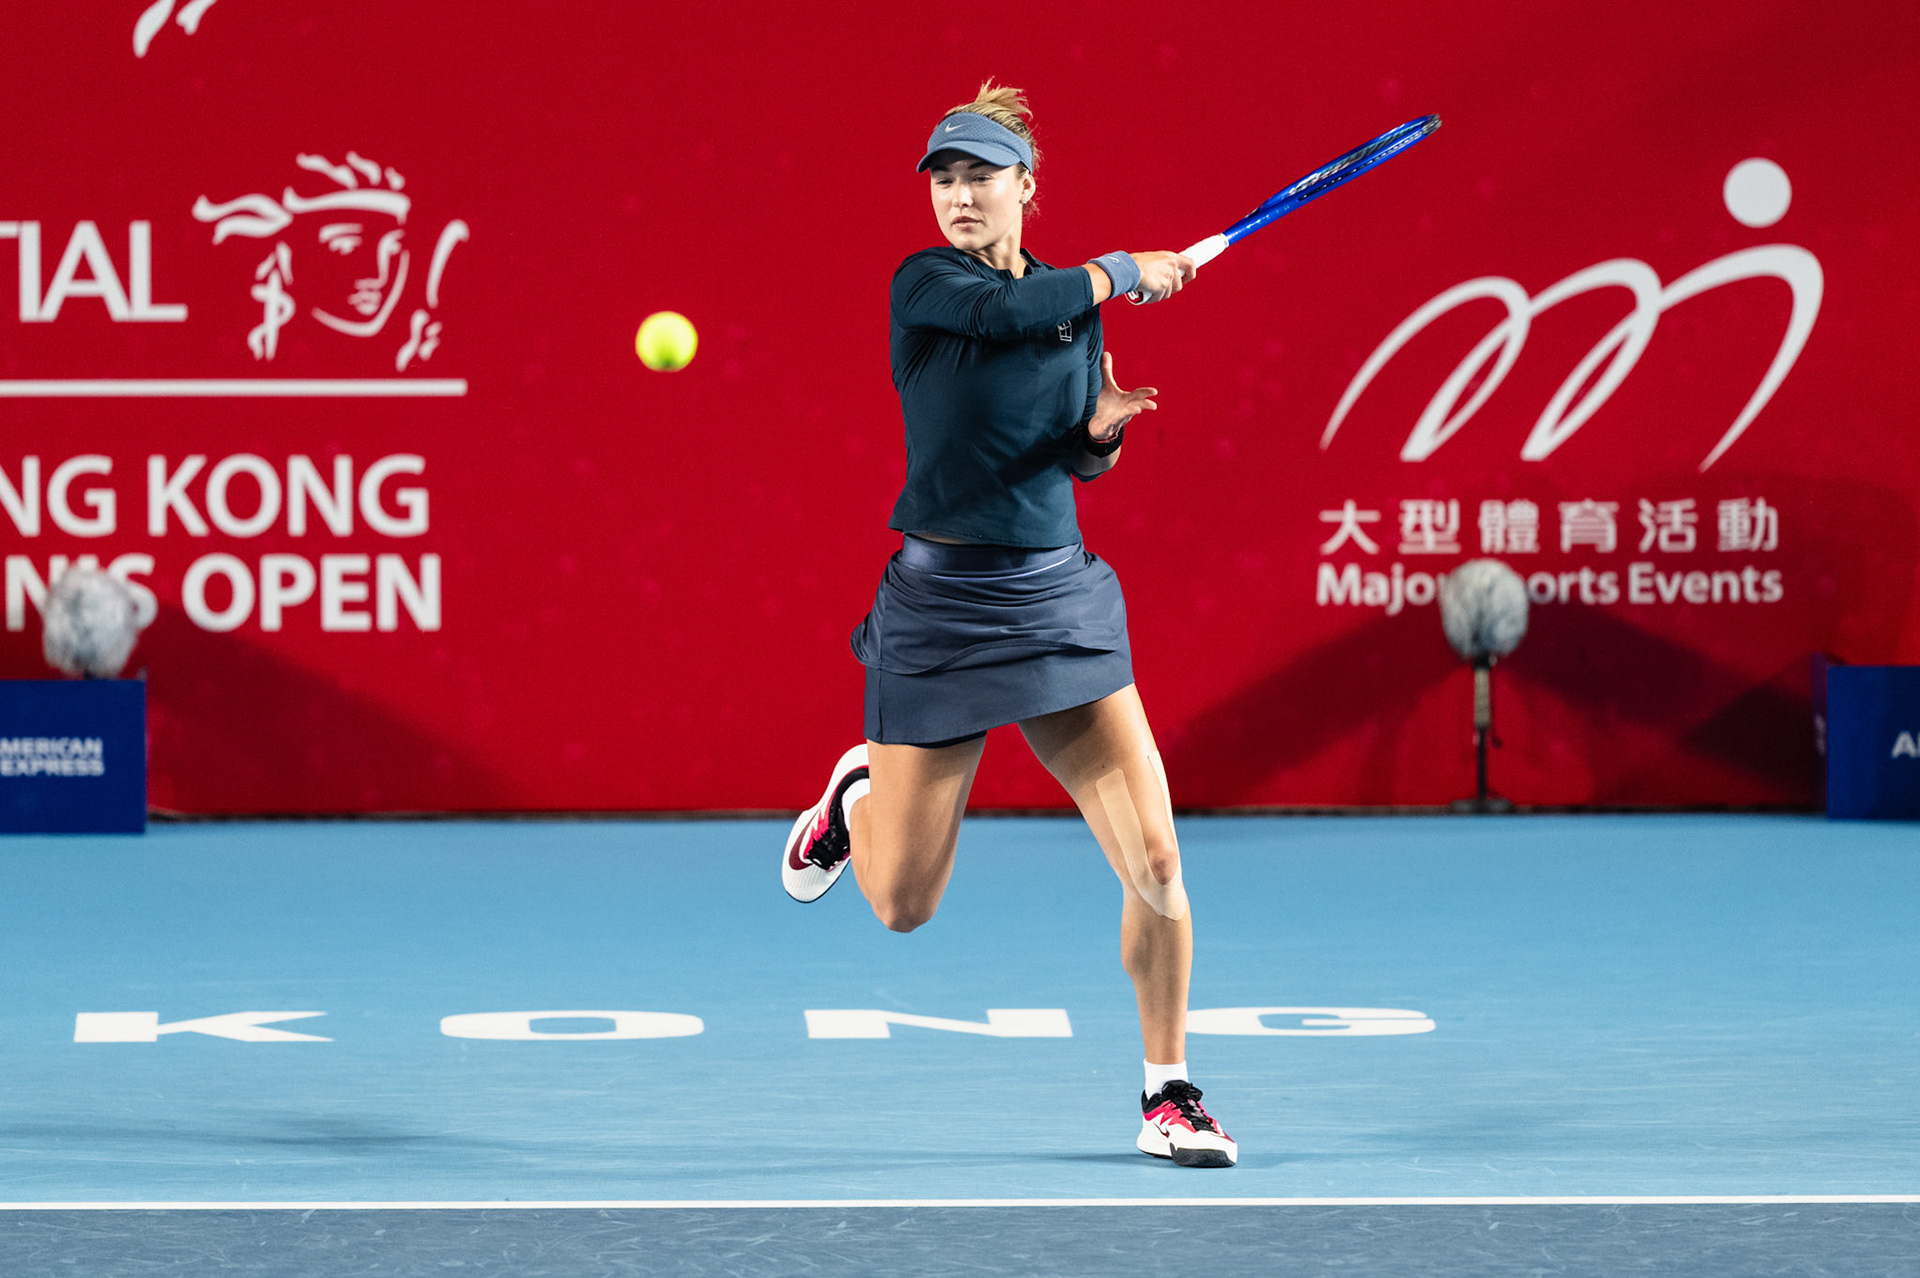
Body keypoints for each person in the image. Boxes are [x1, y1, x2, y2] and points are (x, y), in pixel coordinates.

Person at [781, 82, 1235, 1168]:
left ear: (1027, 187)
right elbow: (1005, 315)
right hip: (940, 612)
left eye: (981, 174)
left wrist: (1101, 436)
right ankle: (861, 790)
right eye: (944, 178)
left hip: (1058, 602)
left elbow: (1065, 452)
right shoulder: (929, 285)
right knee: (901, 909)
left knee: (1160, 864)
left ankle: (1167, 1092)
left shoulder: (1073, 310)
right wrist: (1125, 270)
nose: (959, 195)